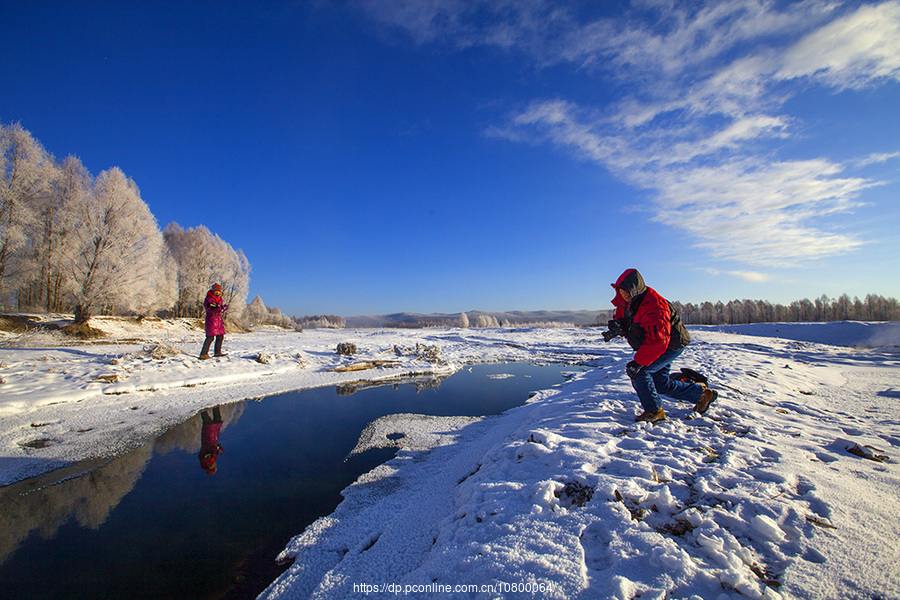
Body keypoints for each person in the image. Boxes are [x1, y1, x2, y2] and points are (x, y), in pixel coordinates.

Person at [607, 268, 717, 423]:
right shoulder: (628, 302)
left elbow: (658, 341)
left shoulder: (654, 306)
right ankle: (703, 395)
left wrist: (638, 362)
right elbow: (626, 319)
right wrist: (617, 327)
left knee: (640, 372)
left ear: (635, 289)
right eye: (621, 291)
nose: (624, 295)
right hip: (657, 344)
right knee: (661, 384)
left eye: (626, 291)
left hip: (670, 345)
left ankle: (654, 412)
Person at [200, 283, 229, 359]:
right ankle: (203, 354)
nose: (217, 293)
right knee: (210, 337)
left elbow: (218, 309)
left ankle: (217, 352)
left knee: (220, 336)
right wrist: (220, 308)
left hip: (218, 320)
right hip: (211, 320)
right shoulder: (209, 299)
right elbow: (210, 309)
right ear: (213, 291)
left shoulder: (220, 299)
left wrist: (223, 308)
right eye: (216, 292)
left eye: (219, 292)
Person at [198, 406, 224, 474]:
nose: (213, 465)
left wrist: (214, 451)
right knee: (217, 419)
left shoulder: (205, 461)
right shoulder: (213, 459)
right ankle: (215, 405)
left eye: (212, 467)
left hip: (208, 437)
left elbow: (207, 452)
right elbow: (216, 450)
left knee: (208, 422)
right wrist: (219, 449)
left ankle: (201, 407)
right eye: (214, 466)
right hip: (214, 435)